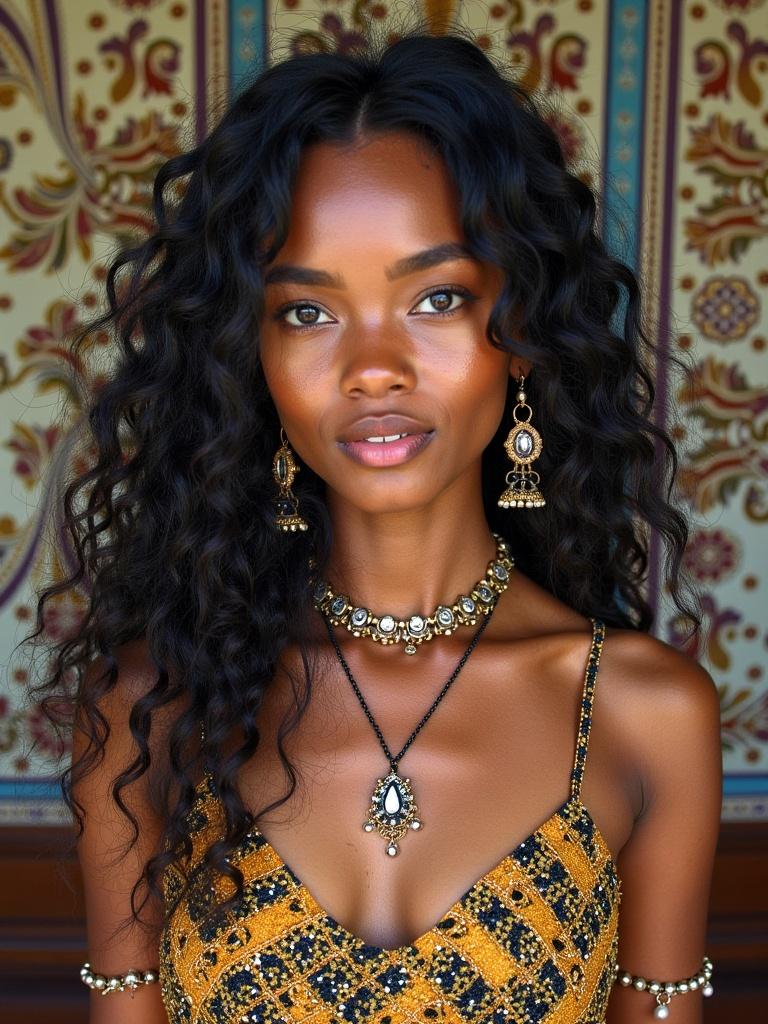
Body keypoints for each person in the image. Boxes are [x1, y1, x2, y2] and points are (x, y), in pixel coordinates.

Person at [30, 27, 721, 1024]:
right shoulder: (153, 709)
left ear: (521, 331)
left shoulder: (642, 716)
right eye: (308, 312)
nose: (373, 368)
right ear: (250, 357)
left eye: (436, 298)